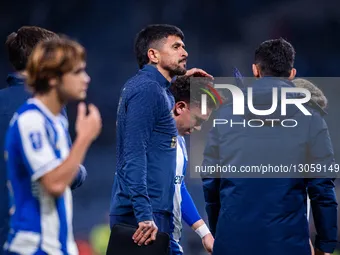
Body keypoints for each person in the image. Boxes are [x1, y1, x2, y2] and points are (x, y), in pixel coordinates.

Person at [202, 38, 337, 255]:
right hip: (287, 245)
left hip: (233, 243)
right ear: (292, 74)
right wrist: (326, 244)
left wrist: (222, 231)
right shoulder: (311, 119)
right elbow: (322, 188)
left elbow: (210, 181)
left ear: (255, 70)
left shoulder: (225, 115)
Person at [109, 24, 211, 250]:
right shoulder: (147, 90)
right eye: (176, 47)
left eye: (184, 47)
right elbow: (133, 155)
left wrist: (181, 77)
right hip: (143, 219)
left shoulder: (156, 90)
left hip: (154, 213)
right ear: (153, 55)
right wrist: (144, 215)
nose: (184, 53)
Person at [3, 37, 102, 255]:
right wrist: (84, 138)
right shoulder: (31, 120)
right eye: (77, 72)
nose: (86, 79)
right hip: (32, 248)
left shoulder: (55, 121)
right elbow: (54, 183)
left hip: (56, 246)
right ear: (53, 79)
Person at [169, 75, 217, 255]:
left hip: (169, 236)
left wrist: (204, 233)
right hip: (149, 233)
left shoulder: (180, 142)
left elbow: (177, 187)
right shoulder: (153, 131)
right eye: (197, 120)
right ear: (180, 107)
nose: (197, 128)